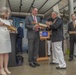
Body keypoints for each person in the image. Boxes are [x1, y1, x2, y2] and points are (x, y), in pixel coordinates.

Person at [0, 7, 12, 75]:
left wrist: (11, 29)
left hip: (7, 37)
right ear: (3, 13)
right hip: (1, 37)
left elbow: (9, 28)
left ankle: (6, 68)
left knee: (6, 53)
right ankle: (1, 69)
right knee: (1, 53)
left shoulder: (7, 21)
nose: (7, 14)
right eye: (7, 13)